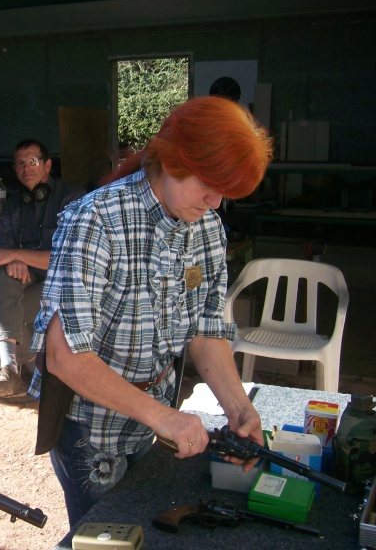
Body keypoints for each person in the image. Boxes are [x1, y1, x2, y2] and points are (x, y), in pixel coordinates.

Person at [28, 95, 273, 525]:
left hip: (156, 414)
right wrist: (166, 418)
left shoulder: (207, 228)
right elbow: (65, 357)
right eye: (209, 187)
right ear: (176, 159)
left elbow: (206, 330)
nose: (215, 203)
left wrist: (238, 409)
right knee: (109, 533)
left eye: (226, 194)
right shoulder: (95, 221)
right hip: (91, 425)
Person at [0, 139, 85, 399]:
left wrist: (17, 254)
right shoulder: (14, 205)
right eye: (20, 163)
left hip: (69, 285)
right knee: (4, 279)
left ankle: (30, 370)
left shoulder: (72, 199)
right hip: (34, 279)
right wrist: (13, 259)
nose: (26, 168)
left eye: (32, 161)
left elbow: (70, 259)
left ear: (47, 166)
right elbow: (3, 252)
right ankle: (9, 369)